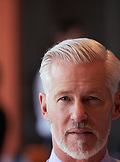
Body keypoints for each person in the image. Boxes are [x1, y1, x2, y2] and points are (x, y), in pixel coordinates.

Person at [33, 19, 85, 148]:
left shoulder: (73, 67)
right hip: (56, 135)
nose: (79, 43)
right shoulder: (52, 70)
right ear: (60, 37)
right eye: (74, 37)